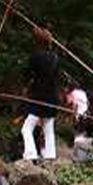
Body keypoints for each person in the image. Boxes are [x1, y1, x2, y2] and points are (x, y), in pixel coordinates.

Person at [21, 26, 60, 161]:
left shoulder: (35, 57)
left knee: (27, 128)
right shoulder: (55, 57)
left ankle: (30, 154)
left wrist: (26, 87)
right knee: (48, 126)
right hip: (53, 96)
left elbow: (27, 75)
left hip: (38, 96)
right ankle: (50, 155)